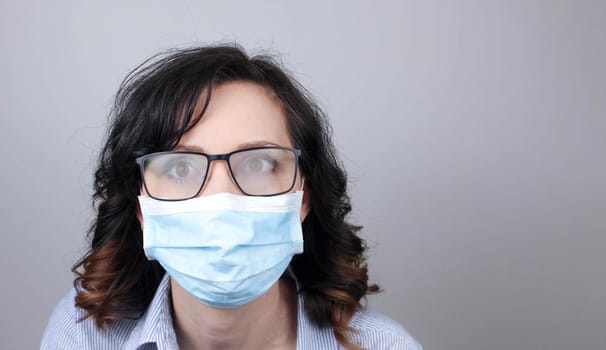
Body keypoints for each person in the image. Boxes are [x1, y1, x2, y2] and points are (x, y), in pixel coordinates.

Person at [40, 43, 422, 350]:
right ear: (141, 206)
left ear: (303, 197)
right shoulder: (84, 337)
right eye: (179, 167)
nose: (220, 197)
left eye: (258, 164)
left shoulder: (383, 345)